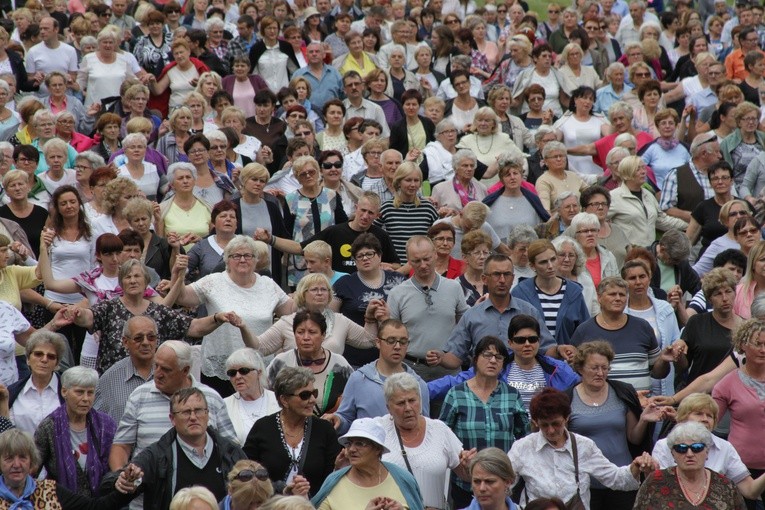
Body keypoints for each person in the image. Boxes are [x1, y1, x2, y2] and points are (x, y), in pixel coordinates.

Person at [173, 235, 294, 396]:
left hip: (258, 366)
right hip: (221, 368)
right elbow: (182, 297)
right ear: (227, 260)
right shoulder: (213, 281)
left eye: (248, 255)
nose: (242, 260)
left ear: (256, 260)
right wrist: (178, 275)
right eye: (236, 256)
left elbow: (291, 311)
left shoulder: (268, 284)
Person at [509, 388, 656, 508]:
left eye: (556, 424)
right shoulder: (522, 447)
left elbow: (616, 478)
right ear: (535, 422)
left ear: (567, 418)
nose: (551, 430)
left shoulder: (583, 446)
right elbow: (505, 484)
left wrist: (635, 466)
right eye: (544, 425)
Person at [108, 387, 248, 508]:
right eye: (186, 412)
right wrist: (124, 480)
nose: (193, 417)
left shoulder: (231, 452)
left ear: (207, 414)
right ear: (172, 419)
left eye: (198, 410)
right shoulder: (156, 455)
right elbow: (116, 483)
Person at [566, 341, 666, 509]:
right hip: (585, 483)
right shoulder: (568, 398)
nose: (600, 373)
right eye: (594, 368)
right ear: (580, 368)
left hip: (623, 478)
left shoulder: (622, 392)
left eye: (605, 368)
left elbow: (634, 438)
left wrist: (643, 420)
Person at [439, 336, 529, 506]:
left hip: (501, 484)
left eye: (499, 357)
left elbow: (525, 437)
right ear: (475, 359)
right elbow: (442, 437)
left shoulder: (511, 394)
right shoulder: (456, 394)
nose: (493, 361)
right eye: (487, 355)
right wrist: (459, 456)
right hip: (466, 482)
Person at [374, 372, 472, 510]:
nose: (408, 408)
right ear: (388, 408)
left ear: (420, 400)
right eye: (401, 403)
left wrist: (469, 465)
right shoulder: (377, 430)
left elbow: (466, 476)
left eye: (412, 400)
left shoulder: (439, 429)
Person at [244, 367, 342, 497]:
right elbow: (246, 473)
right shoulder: (263, 428)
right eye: (305, 395)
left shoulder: (324, 429)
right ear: (284, 400)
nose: (312, 400)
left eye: (314, 393)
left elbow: (331, 477)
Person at [323, 319, 429, 434]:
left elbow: (425, 426)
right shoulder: (358, 379)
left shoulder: (419, 384)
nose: (397, 346)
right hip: (369, 449)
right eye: (391, 340)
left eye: (403, 341)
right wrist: (337, 420)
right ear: (378, 342)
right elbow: (346, 419)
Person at [652, 393, 765, 501]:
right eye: (699, 413)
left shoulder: (725, 447)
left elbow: (750, 491)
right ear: (682, 418)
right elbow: (658, 488)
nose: (705, 419)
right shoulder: (664, 445)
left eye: (710, 416)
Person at [387, 236, 468, 381]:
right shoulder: (397, 293)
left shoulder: (453, 287)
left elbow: (464, 324)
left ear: (435, 254)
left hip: (448, 368)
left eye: (427, 259)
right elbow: (391, 335)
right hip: (411, 368)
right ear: (409, 261)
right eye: (416, 261)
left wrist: (455, 354)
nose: (423, 265)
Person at [570, 276, 672, 392]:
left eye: (622, 295)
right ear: (599, 298)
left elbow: (657, 373)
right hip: (603, 404)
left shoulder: (642, 327)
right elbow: (573, 370)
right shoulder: (584, 330)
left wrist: (663, 360)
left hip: (641, 404)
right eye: (612, 294)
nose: (618, 298)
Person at [0, 429, 135, 509]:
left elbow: (95, 507)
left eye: (23, 457)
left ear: (31, 461)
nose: (16, 464)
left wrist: (130, 485)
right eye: (9, 458)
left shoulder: (49, 490)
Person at [34, 367, 115, 497]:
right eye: (79, 392)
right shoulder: (49, 427)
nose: (86, 399)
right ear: (64, 391)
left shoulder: (106, 425)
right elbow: (32, 470)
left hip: (101, 503)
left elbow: (115, 468)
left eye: (90, 393)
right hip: (61, 502)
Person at [311, 417, 424, 510]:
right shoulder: (334, 482)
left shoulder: (403, 478)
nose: (351, 449)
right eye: (349, 443)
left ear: (377, 449)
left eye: (359, 444)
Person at [712, 318, 765, 509]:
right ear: (743, 345)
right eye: (758, 344)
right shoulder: (727, 384)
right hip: (742, 468)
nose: (763, 350)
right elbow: (708, 422)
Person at [634, 422, 746, 509]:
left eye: (697, 447)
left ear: (707, 452)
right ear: (673, 453)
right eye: (681, 448)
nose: (689, 454)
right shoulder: (655, 481)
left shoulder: (726, 486)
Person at [265, 310, 354, 416]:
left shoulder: (340, 364)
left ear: (323, 335)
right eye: (300, 332)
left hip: (331, 428)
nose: (306, 337)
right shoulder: (281, 362)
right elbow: (263, 396)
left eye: (312, 332)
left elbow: (355, 397)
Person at [623, 260, 681, 397]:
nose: (638, 282)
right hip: (633, 386)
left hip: (663, 383)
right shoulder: (620, 312)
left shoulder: (665, 308)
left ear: (649, 278)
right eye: (632, 278)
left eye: (642, 276)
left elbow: (676, 340)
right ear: (624, 282)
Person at [608, 156, 688, 247]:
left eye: (643, 168)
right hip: (627, 254)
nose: (643, 172)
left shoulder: (648, 195)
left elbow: (662, 220)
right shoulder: (614, 197)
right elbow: (599, 221)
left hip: (649, 253)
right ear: (627, 173)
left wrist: (689, 225)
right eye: (637, 169)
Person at [92, 316, 157, 423]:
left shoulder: (170, 372)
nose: (146, 342)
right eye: (138, 338)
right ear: (125, 342)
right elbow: (95, 422)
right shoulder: (110, 379)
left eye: (151, 337)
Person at [8, 331, 68, 434]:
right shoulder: (13, 392)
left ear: (57, 363)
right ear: (28, 359)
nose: (44, 360)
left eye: (51, 356)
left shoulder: (68, 390)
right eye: (38, 354)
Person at [224, 348, 279, 445]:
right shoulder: (224, 405)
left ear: (259, 372)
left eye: (243, 371)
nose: (237, 376)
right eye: (232, 373)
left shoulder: (279, 401)